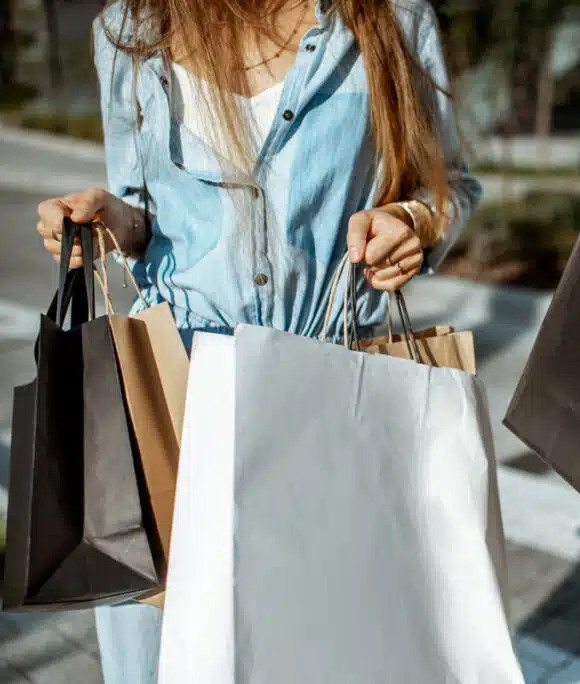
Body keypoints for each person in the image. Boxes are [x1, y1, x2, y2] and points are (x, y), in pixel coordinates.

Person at [33, 0, 480, 681]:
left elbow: (450, 184)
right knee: (168, 655)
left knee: (335, 651)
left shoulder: (389, 17)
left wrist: (414, 220)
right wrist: (108, 220)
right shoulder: (128, 29)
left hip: (332, 391)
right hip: (173, 401)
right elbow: (139, 210)